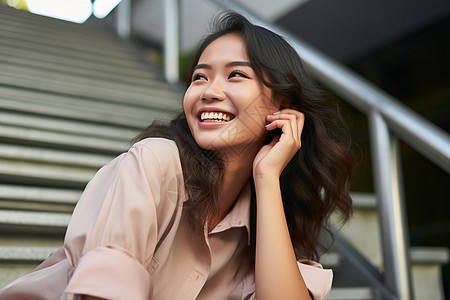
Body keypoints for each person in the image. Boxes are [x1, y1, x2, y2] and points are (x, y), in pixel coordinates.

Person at [0, 11, 352, 300]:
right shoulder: (156, 162)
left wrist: (267, 177)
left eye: (236, 75)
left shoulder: (269, 217)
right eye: (199, 77)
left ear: (283, 106)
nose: (210, 91)